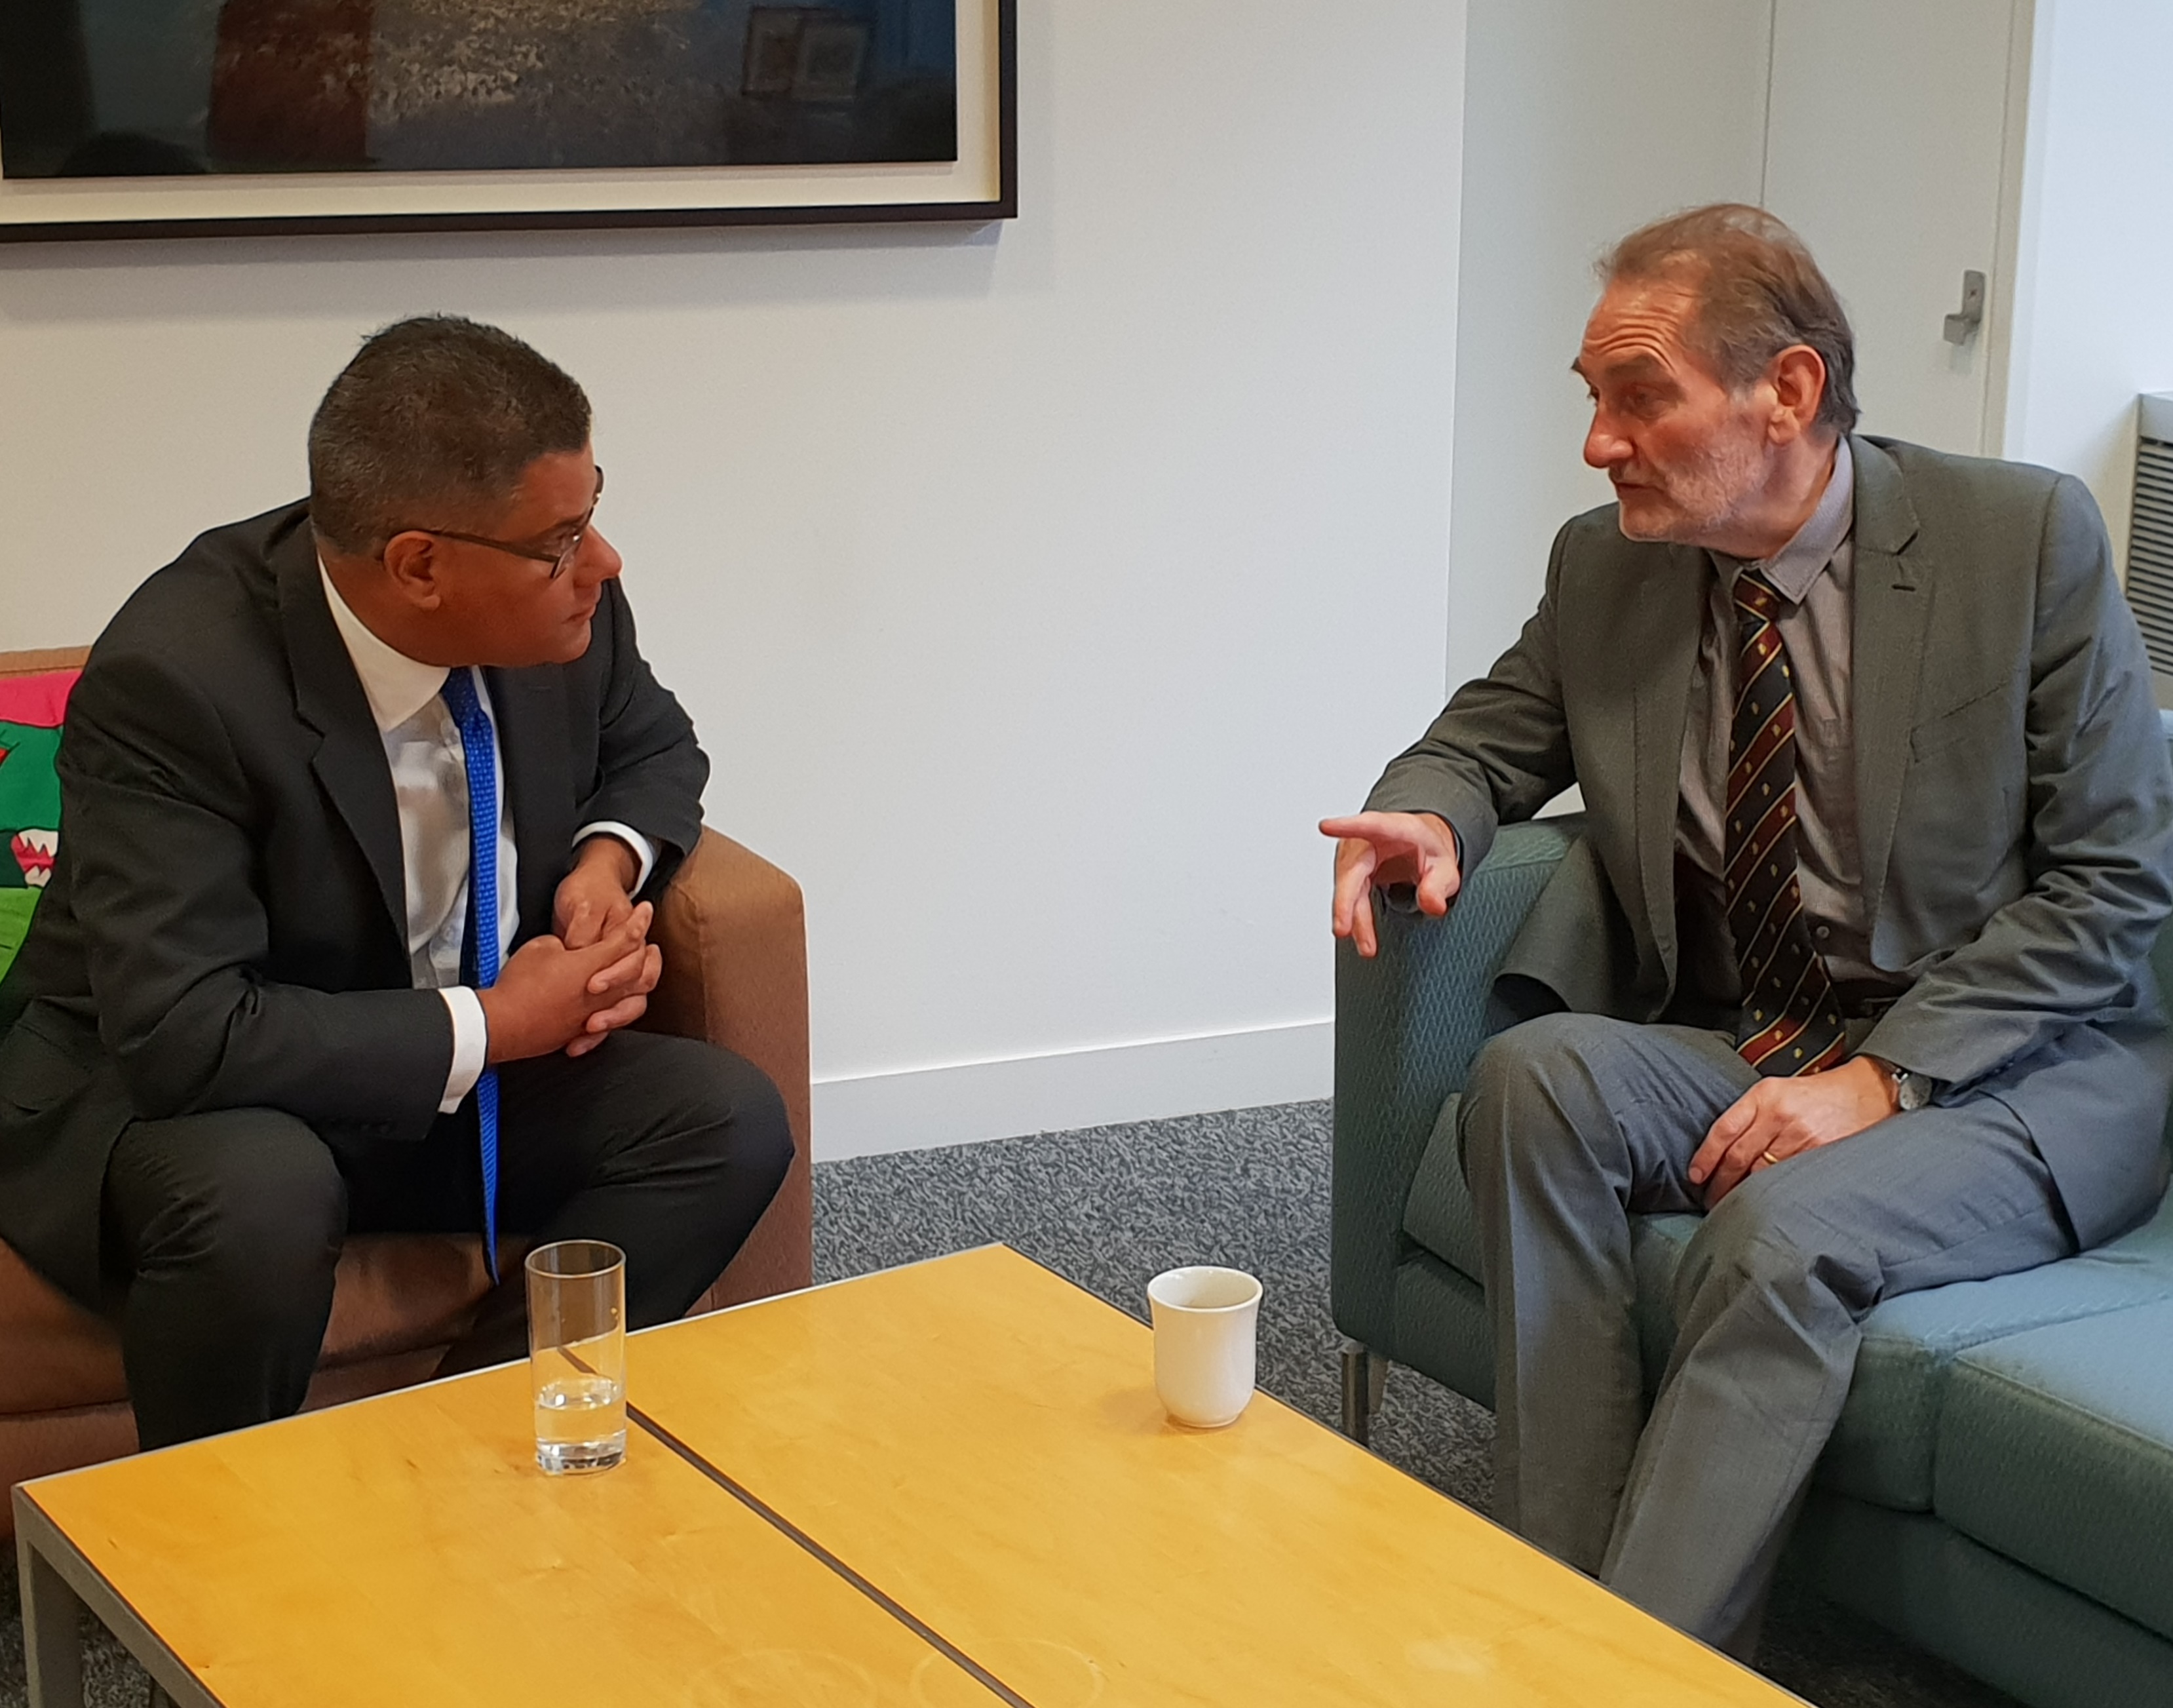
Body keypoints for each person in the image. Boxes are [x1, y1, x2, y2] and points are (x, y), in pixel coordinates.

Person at [1320, 204, 2173, 1655]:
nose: (1598, 442)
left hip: (2005, 1077)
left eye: (1637, 396)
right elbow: (1483, 740)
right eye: (1591, 399)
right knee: (1528, 1088)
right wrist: (1429, 815)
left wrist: (1882, 1082)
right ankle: (1564, 1592)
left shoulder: (2017, 539)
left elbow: (2112, 882)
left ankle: (1629, 1674)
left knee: (1780, 1233)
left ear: (1783, 392)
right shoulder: (1610, 565)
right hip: (1752, 1037)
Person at [0, 315, 794, 1450]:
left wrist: (603, 868)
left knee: (723, 1120)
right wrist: (500, 1022)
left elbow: (656, 747)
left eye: (593, 510)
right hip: (193, 1090)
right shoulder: (176, 679)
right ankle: (215, 1564)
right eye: (562, 540)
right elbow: (187, 1033)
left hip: (451, 1068)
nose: (604, 563)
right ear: (420, 563)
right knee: (260, 1199)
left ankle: (446, 1463)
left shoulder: (568, 609)